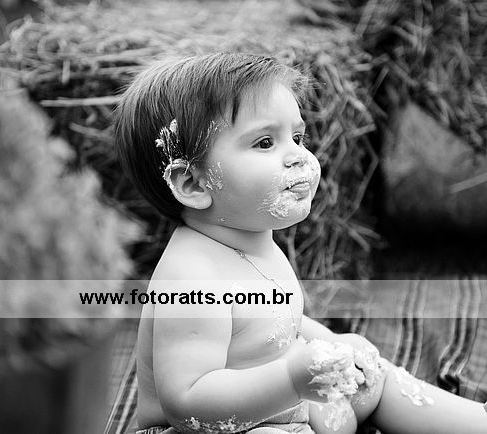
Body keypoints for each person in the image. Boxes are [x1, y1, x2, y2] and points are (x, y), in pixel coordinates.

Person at [114, 53, 487, 433]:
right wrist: (292, 380)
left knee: (375, 377)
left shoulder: (252, 242)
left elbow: (279, 325)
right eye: (264, 142)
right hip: (216, 427)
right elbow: (187, 403)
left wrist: (334, 344)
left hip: (287, 408)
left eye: (296, 138)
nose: (298, 156)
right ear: (194, 184)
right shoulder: (192, 279)